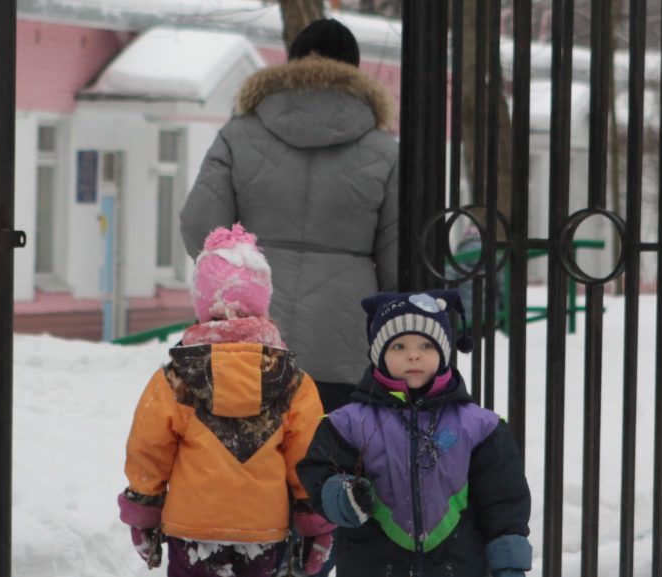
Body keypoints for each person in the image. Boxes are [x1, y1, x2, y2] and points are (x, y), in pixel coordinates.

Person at [180, 18, 400, 416]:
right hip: (344, 339)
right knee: (332, 463)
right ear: (354, 69)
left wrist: (235, 281)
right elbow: (397, 253)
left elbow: (201, 223)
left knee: (253, 460)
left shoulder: (238, 134)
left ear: (292, 63)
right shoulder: (384, 150)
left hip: (250, 334)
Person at [118, 224, 335, 577]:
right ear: (261, 303)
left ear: (203, 305)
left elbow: (149, 450)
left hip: (191, 529)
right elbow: (307, 456)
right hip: (263, 530)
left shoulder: (176, 378)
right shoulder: (292, 381)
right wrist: (315, 522)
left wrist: (143, 509)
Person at [296, 290, 533, 577]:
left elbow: (503, 499)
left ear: (444, 353)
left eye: (426, 345)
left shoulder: (480, 428)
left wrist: (508, 561)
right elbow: (319, 471)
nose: (414, 354)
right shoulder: (348, 423)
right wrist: (338, 495)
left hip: (458, 565)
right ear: (378, 355)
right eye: (398, 346)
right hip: (372, 564)